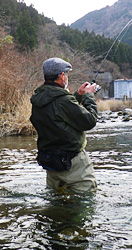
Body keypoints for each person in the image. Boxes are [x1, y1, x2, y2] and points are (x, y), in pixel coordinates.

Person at [30, 57, 98, 193]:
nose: (67, 77)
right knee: (86, 202)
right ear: (62, 76)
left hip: (52, 164)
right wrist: (88, 96)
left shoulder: (38, 99)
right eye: (66, 74)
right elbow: (90, 120)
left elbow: (58, 111)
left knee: (56, 204)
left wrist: (78, 95)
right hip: (73, 164)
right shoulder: (63, 100)